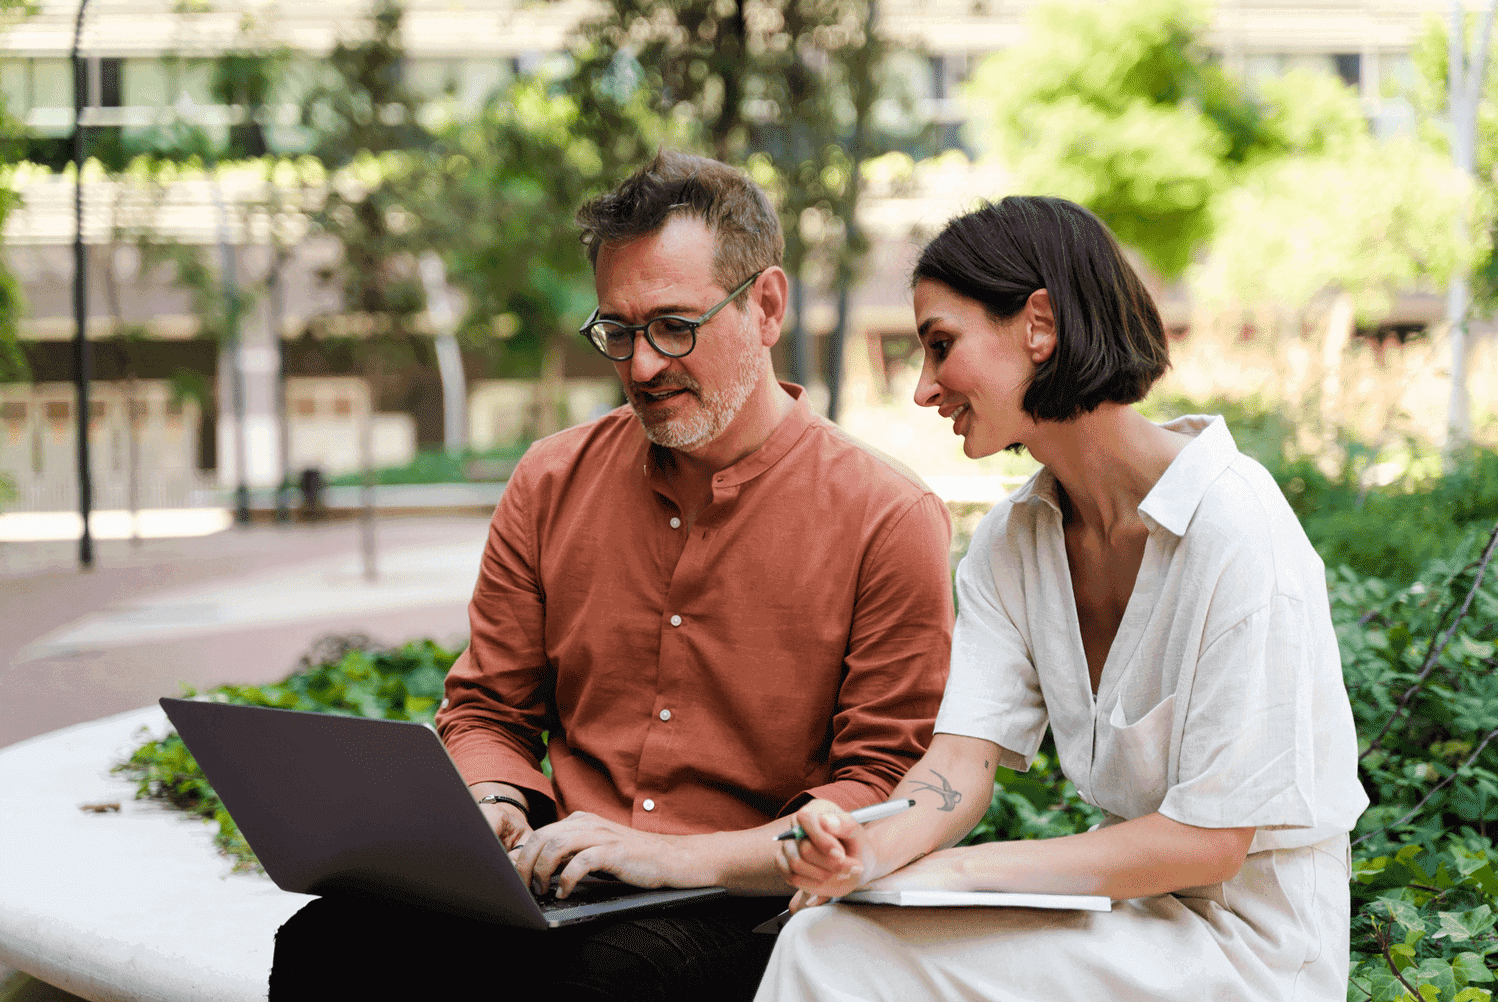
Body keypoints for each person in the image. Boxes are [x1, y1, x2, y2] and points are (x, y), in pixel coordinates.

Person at [269, 150, 954, 1001]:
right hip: (559, 874)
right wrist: (493, 805)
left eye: (673, 325)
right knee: (327, 944)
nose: (640, 366)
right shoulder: (550, 479)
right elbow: (488, 707)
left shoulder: (889, 518)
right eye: (617, 332)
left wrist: (678, 857)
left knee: (606, 985)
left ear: (767, 305)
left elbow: (882, 786)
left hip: (744, 899)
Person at [756, 196, 1369, 1002]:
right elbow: (958, 766)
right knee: (827, 936)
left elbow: (1211, 843)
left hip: (1254, 956)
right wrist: (866, 855)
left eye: (940, 346)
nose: (923, 389)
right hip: (1130, 923)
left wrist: (951, 874)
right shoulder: (1015, 540)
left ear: (1038, 323)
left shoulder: (1237, 526)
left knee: (834, 955)